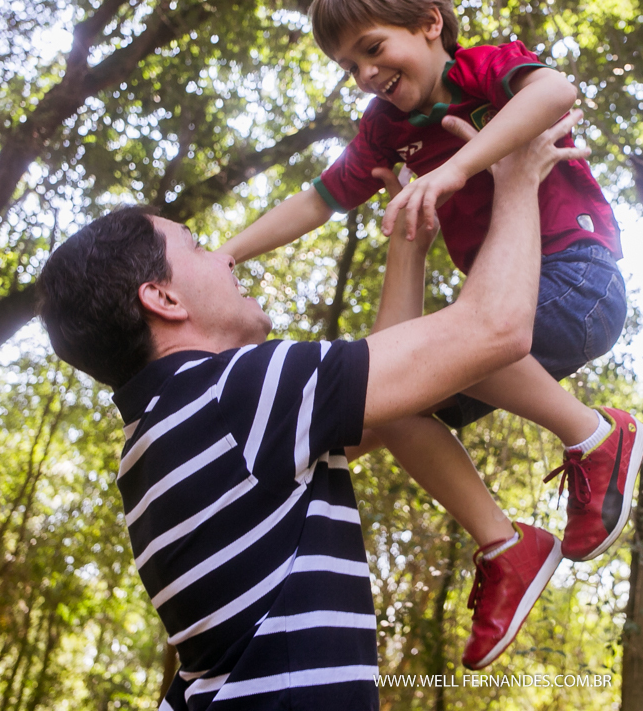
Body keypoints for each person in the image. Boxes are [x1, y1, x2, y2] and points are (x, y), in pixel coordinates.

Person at [36, 117, 583, 709]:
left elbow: (392, 407)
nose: (225, 259)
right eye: (197, 246)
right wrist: (517, 178)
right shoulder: (227, 395)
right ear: (163, 299)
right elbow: (495, 328)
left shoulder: (163, 434)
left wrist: (408, 243)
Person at [219, 0, 643, 662]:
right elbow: (317, 200)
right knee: (389, 405)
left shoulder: (482, 69)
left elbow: (555, 94)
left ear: (428, 25)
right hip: (508, 315)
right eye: (348, 65)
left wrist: (456, 169)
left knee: (452, 343)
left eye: (372, 48)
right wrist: (227, 255)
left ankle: (596, 436)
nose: (363, 74)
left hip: (577, 279)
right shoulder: (385, 131)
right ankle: (505, 546)